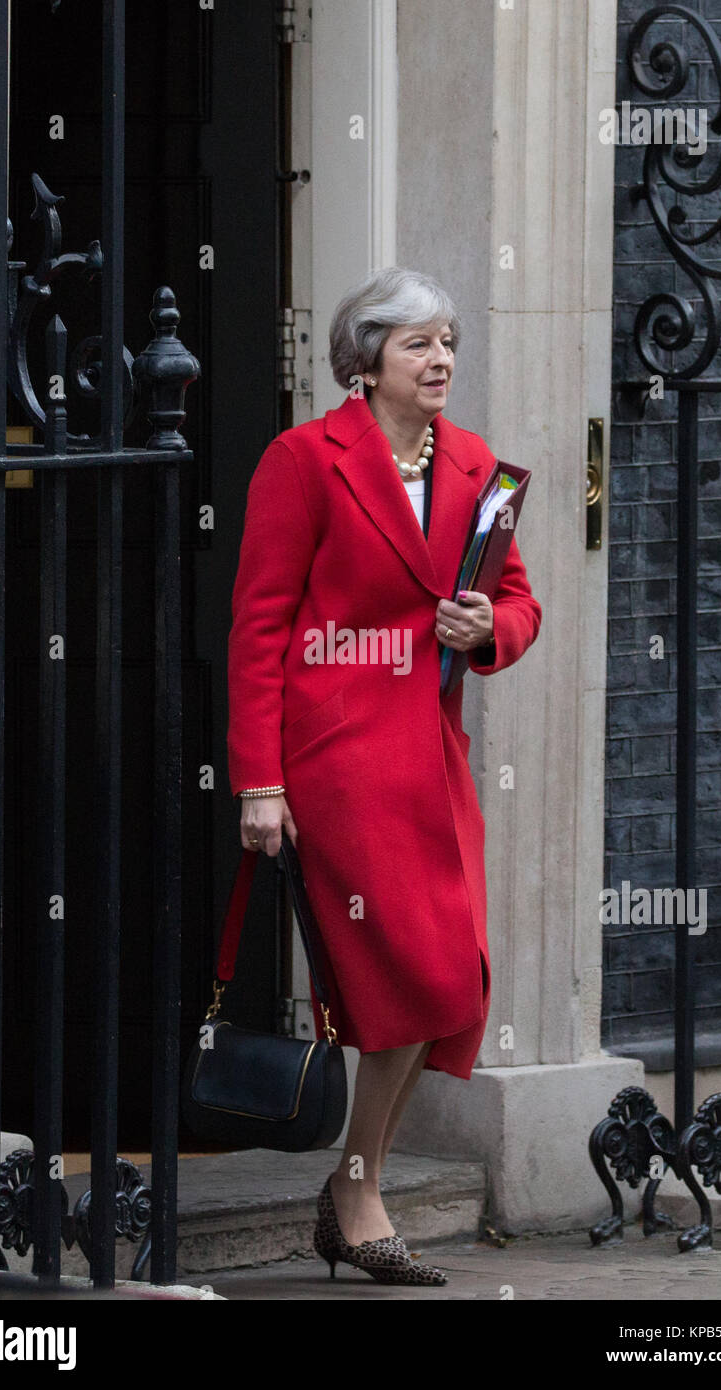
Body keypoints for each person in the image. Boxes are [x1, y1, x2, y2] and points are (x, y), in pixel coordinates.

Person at [227, 266, 541, 1285]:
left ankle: (352, 1182)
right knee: (411, 969)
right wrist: (258, 781)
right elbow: (260, 626)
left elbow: (521, 602)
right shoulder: (302, 460)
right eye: (417, 343)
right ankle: (357, 1190)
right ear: (364, 363)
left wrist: (487, 625)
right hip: (338, 753)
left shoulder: (477, 469)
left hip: (432, 753)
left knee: (452, 982)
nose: (441, 359)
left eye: (447, 340)